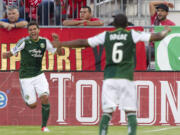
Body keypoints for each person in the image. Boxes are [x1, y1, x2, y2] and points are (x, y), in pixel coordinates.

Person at [55, 14, 171, 135]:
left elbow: (83, 42)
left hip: (110, 78)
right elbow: (157, 37)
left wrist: (62, 43)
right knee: (130, 112)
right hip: (126, 78)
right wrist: (165, 30)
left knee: (107, 113)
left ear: (113, 25)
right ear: (127, 25)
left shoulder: (106, 35)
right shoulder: (132, 34)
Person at [2, 21, 61, 132]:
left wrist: (57, 43)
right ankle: (25, 94)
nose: (33, 31)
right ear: (28, 32)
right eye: (30, 30)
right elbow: (11, 53)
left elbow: (59, 53)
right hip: (25, 77)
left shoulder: (44, 42)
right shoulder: (24, 42)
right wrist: (4, 55)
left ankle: (44, 126)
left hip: (39, 74)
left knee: (44, 97)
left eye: (34, 29)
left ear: (38, 30)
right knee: (32, 105)